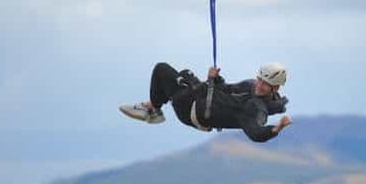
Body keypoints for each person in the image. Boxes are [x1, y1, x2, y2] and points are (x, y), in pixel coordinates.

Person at [119, 62, 292, 142]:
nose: (259, 85)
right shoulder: (250, 85)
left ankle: (152, 109)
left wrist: (276, 129)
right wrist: (216, 80)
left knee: (162, 71)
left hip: (192, 111)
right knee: (178, 73)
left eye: (265, 84)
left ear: (275, 88)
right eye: (259, 80)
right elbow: (226, 89)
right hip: (200, 98)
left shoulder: (257, 109)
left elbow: (256, 133)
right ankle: (153, 108)